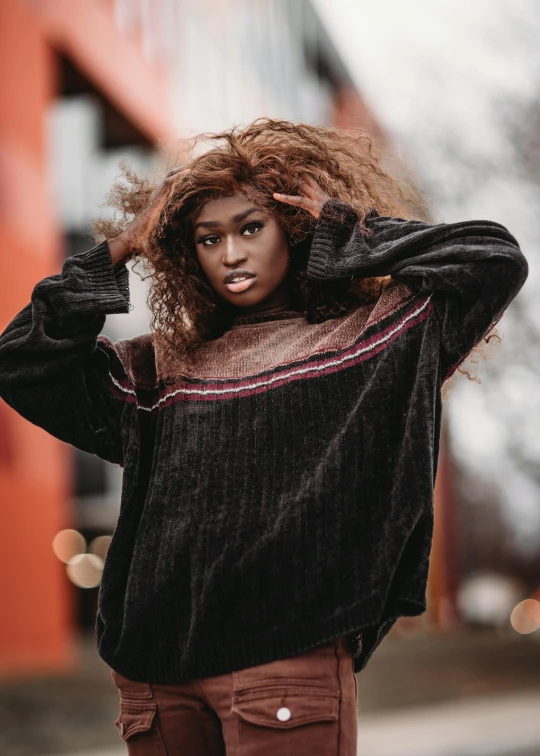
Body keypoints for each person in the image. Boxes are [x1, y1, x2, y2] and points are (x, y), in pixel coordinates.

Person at [0, 118, 528, 755]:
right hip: (155, 677)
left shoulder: (372, 339)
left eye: (252, 227)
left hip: (285, 659)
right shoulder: (158, 367)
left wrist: (348, 231)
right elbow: (21, 360)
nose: (230, 254)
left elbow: (492, 258)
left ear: (294, 229)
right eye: (207, 238)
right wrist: (119, 249)